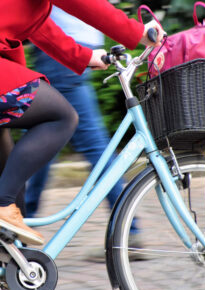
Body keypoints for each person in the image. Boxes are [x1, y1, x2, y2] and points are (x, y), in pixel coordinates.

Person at [0, 0, 165, 247]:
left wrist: (84, 56)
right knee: (61, 117)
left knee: (11, 192)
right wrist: (136, 32)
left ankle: (17, 278)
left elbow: (37, 23)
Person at [25, 6, 124, 218]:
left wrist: (134, 33)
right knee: (46, 140)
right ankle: (20, 217)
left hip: (61, 49)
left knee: (48, 140)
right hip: (74, 47)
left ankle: (21, 218)